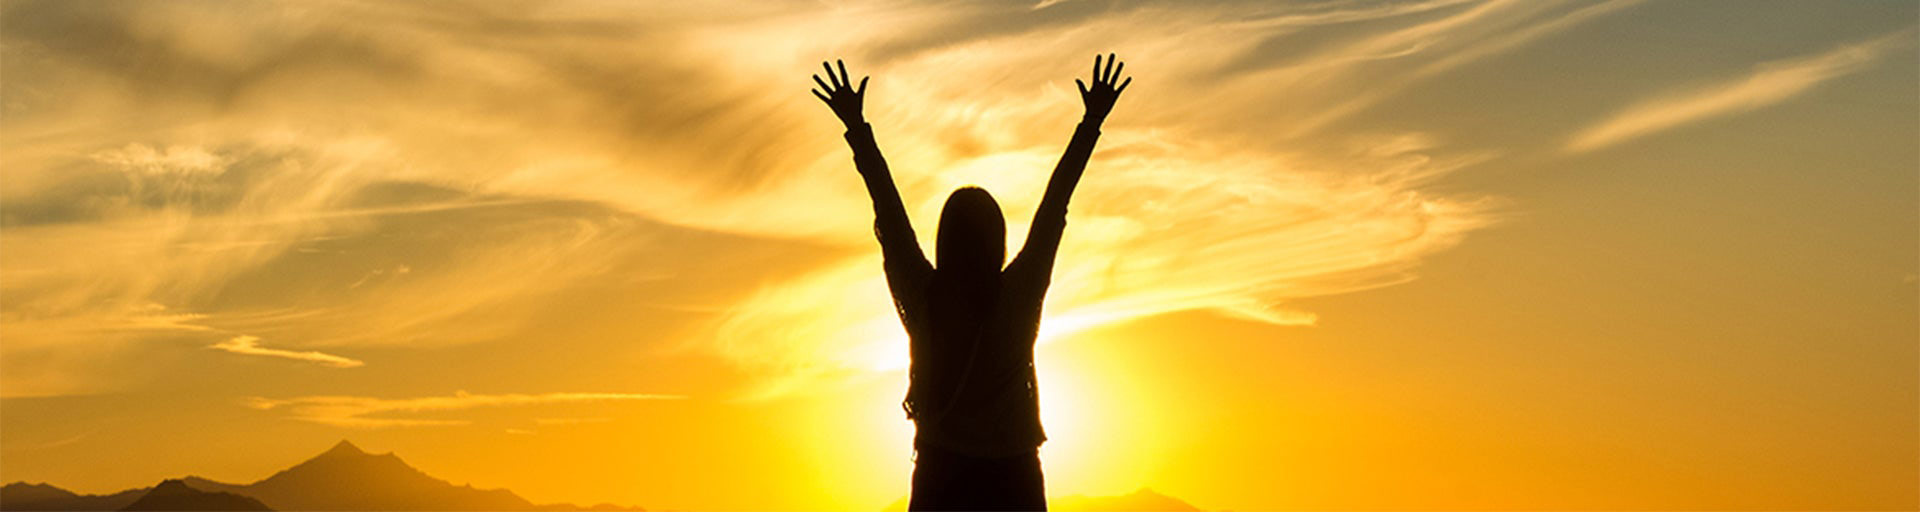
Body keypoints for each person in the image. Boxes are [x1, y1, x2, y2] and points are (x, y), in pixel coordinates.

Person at [812, 55, 1131, 511]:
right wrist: (1091, 121)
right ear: (997, 240)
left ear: (945, 240)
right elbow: (1054, 206)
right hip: (1013, 478)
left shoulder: (925, 300)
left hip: (941, 477)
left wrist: (857, 127)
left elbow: (891, 217)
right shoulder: (1017, 299)